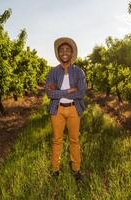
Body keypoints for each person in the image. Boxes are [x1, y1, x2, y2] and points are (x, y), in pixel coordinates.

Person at [45, 37, 86, 181]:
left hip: (74, 110)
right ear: (58, 53)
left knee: (74, 140)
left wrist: (58, 90)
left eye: (67, 50)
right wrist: (68, 91)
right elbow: (49, 93)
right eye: (61, 50)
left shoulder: (79, 72)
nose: (64, 52)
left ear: (71, 53)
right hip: (57, 110)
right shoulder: (52, 72)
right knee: (57, 140)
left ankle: (76, 169)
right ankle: (55, 169)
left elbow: (81, 93)